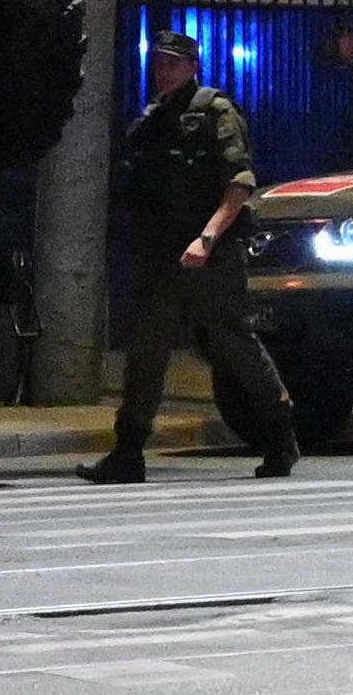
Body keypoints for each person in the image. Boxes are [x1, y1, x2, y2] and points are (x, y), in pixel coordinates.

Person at [82, 29, 295, 484]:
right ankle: (128, 452)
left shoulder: (215, 112)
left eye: (173, 63)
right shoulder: (154, 117)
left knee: (234, 344)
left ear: (193, 65)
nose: (164, 70)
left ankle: (281, 438)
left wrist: (208, 238)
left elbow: (239, 184)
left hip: (210, 255)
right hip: (163, 254)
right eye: (159, 62)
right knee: (146, 352)